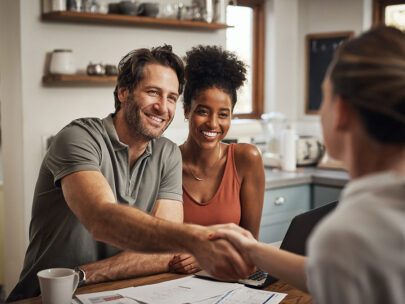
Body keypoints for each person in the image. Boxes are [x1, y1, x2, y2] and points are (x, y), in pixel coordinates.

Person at [7, 45, 253, 301]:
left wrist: (83, 274)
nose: (162, 107)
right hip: (45, 297)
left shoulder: (167, 154)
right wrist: (195, 238)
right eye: (153, 92)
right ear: (123, 92)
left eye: (171, 97)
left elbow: (167, 249)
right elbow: (102, 220)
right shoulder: (77, 138)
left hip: (117, 293)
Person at [211, 26, 405, 304]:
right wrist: (254, 251)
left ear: (343, 113)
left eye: (324, 97)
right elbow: (329, 272)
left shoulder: (348, 234)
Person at [168, 45, 265, 274]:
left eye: (223, 114)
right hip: (172, 282)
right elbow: (156, 240)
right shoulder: (166, 162)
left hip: (230, 280)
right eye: (203, 111)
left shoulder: (246, 159)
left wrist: (203, 256)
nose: (213, 124)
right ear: (186, 110)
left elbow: (250, 246)